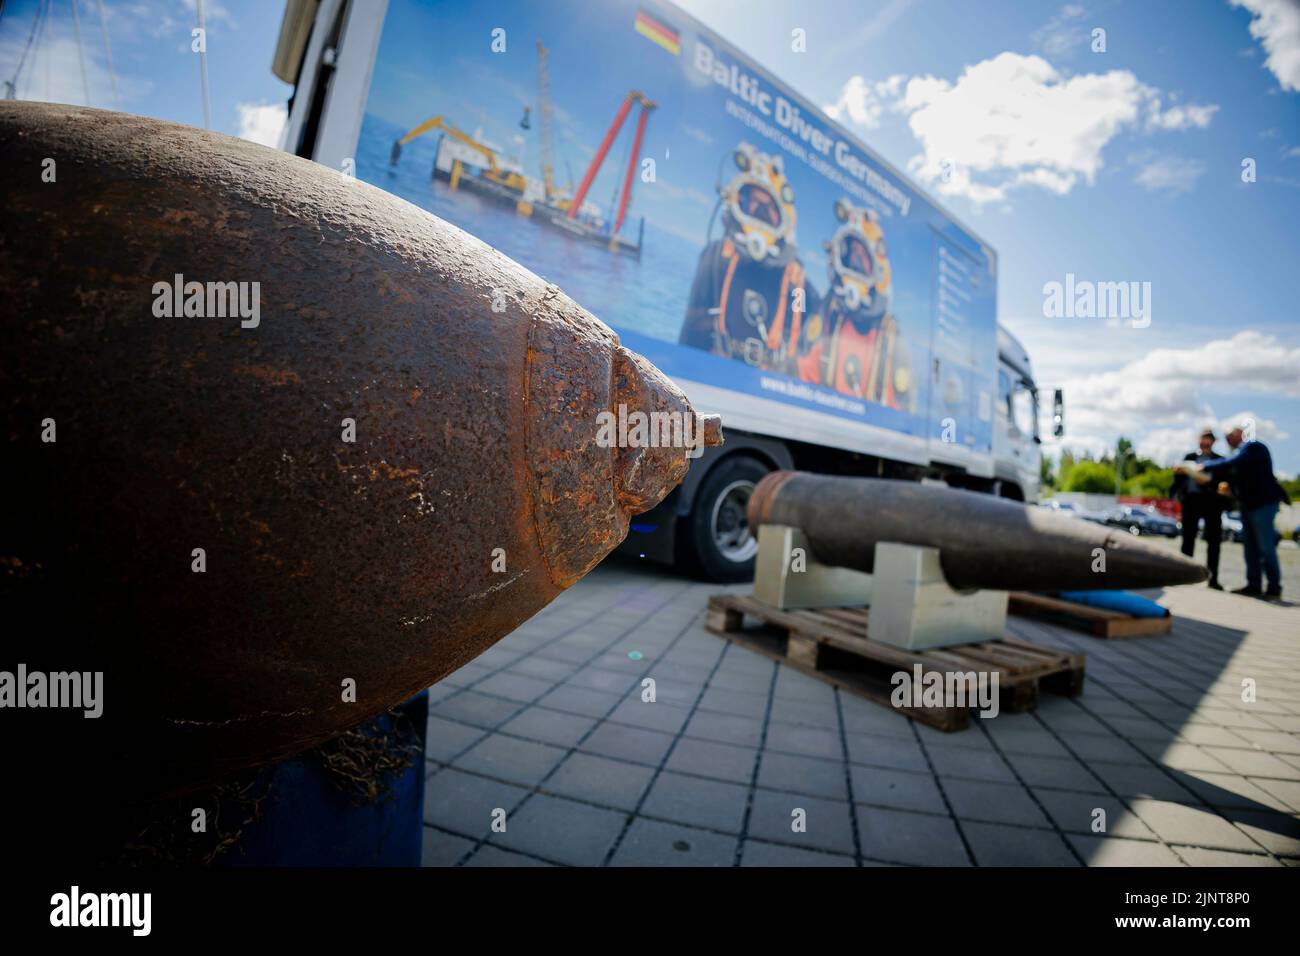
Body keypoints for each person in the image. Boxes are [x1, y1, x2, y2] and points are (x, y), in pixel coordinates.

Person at [680, 143, 818, 376]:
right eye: (752, 201)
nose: (759, 210)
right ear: (737, 202)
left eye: (768, 206)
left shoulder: (800, 286)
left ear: (784, 218)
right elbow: (687, 343)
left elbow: (815, 351)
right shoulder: (715, 258)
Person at [1179, 424, 1288, 599]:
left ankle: (1274, 587)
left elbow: (1230, 463)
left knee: (1266, 547)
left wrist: (1204, 468)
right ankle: (1254, 585)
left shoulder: (1252, 446)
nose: (1227, 441)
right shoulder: (1238, 454)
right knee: (1250, 547)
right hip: (1247, 505)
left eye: (1229, 437)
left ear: (1239, 433)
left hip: (1262, 504)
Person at [1171, 429, 1228, 589]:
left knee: (1214, 541)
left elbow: (1223, 482)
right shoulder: (1189, 458)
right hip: (1191, 501)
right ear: (1199, 440)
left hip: (1211, 503)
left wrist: (1210, 484)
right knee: (1188, 538)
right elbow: (1179, 479)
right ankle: (1185, 575)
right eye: (1203, 439)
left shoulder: (1219, 460)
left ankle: (1213, 578)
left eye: (1208, 440)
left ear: (1213, 442)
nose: (1205, 443)